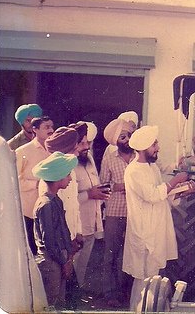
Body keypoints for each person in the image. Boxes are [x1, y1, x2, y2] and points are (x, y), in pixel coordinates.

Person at [122, 125, 195, 311]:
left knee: (152, 280)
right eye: (154, 144)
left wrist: (182, 192)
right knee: (143, 282)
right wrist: (176, 181)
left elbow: (163, 197)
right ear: (144, 147)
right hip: (144, 234)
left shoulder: (151, 167)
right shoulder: (134, 171)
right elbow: (153, 195)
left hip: (156, 231)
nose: (158, 148)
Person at [32, 152, 78, 309]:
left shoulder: (55, 200)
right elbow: (50, 242)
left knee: (59, 302)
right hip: (52, 262)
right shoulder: (46, 205)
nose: (70, 179)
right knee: (51, 303)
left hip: (59, 260)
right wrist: (64, 262)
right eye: (68, 175)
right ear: (58, 177)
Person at [99, 118, 136, 307]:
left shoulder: (140, 155)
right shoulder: (109, 157)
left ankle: (129, 293)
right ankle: (110, 294)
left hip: (136, 214)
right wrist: (118, 186)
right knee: (111, 255)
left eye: (129, 135)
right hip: (115, 211)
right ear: (116, 141)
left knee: (131, 254)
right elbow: (103, 185)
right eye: (123, 137)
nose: (128, 139)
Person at [74, 122, 107, 288]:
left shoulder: (90, 159)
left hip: (91, 223)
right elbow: (68, 199)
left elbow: (96, 184)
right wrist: (89, 194)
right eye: (82, 143)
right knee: (72, 265)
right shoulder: (69, 165)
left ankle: (77, 293)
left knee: (82, 266)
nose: (86, 147)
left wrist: (99, 193)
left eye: (87, 143)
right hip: (76, 227)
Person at [15, 116, 54, 255]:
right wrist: (38, 184)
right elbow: (15, 181)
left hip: (49, 209)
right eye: (46, 127)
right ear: (35, 129)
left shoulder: (54, 151)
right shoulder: (22, 151)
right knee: (32, 252)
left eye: (51, 127)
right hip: (29, 210)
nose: (51, 130)